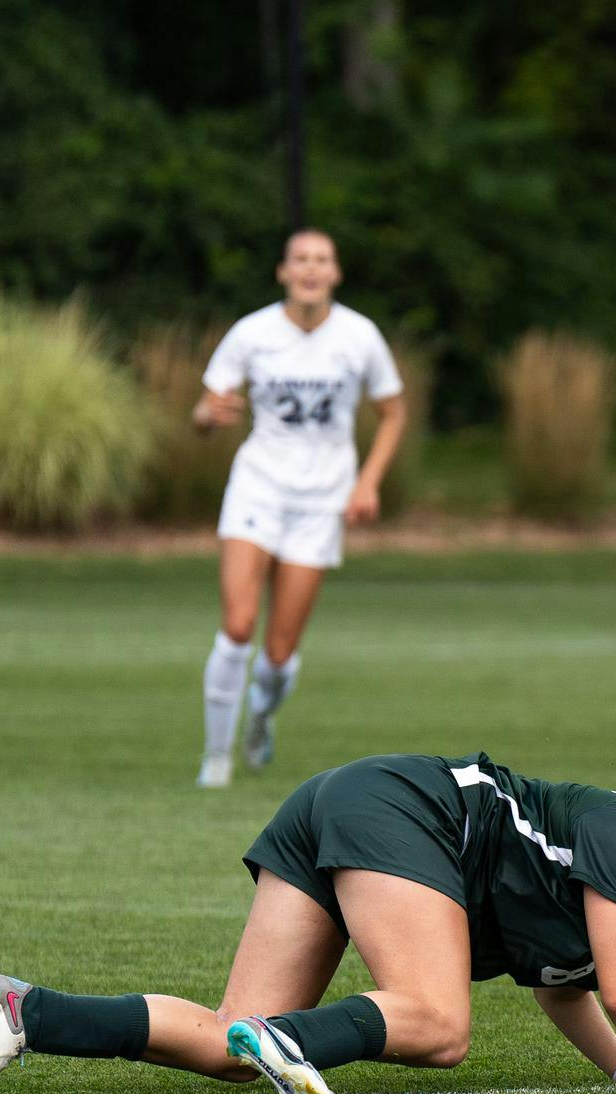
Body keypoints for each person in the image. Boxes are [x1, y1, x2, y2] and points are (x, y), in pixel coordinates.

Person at [0, 754, 616, 1094]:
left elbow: (563, 985)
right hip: (398, 811)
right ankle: (292, 1043)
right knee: (438, 1021)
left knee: (228, 1044)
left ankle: (29, 1012)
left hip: (341, 803)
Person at [192, 229, 408, 789]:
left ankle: (260, 718)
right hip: (258, 487)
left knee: (279, 653)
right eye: (300, 259)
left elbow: (393, 412)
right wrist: (207, 418)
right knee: (238, 626)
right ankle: (216, 759)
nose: (311, 268)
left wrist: (368, 482)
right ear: (283, 272)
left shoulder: (359, 336)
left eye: (322, 260)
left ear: (335, 273)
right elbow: (206, 405)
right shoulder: (253, 332)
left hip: (321, 500)